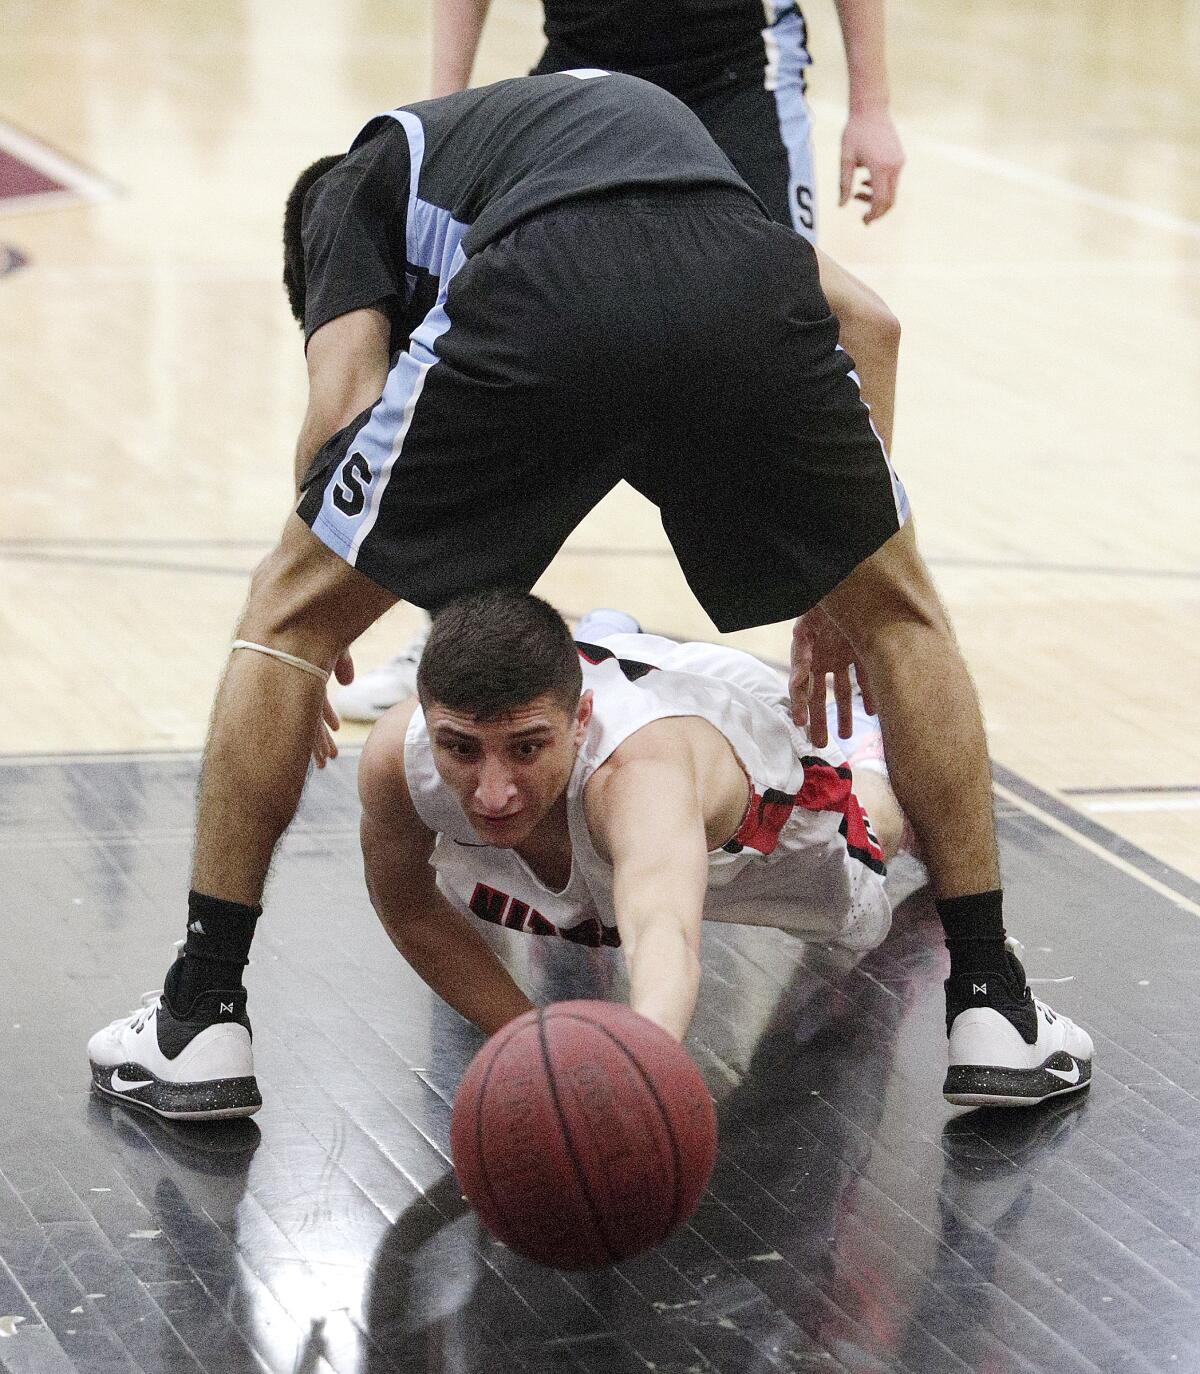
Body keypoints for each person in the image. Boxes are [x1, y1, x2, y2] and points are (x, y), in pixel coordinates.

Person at [87, 70, 1081, 1120]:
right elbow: (871, 326)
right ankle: (992, 1006)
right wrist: (837, 583)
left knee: (277, 621)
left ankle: (199, 1018)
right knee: (904, 618)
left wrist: (323, 593)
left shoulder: (354, 179)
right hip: (730, 285)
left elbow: (345, 395)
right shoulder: (631, 146)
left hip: (540, 290)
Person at [336, 0, 906, 721]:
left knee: (801, 340)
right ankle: (448, 632)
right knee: (479, 366)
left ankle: (849, 629)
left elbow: (866, 332)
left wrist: (872, 107)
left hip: (736, 89)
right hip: (573, 85)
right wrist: (445, 109)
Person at [356, 591, 1090, 1105]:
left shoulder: (639, 781)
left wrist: (632, 1077)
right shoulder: (399, 757)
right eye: (460, 748)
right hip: (626, 692)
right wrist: (539, 1051)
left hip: (744, 769)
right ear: (424, 720)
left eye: (524, 749)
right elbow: (412, 912)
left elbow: (664, 935)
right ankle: (612, 640)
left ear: (579, 722)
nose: (491, 793)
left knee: (869, 866)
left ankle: (861, 748)